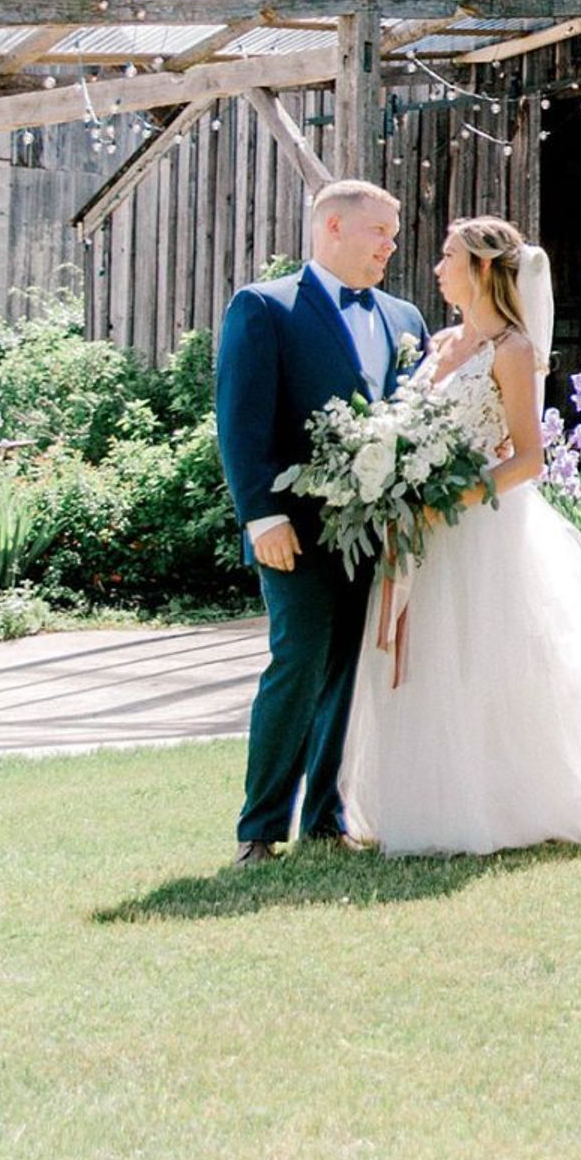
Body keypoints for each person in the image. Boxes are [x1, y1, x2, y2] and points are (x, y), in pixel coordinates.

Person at [337, 216, 581, 857]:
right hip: (425, 533)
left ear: (483, 267)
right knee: (429, 667)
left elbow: (529, 458)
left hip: (484, 530)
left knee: (492, 664)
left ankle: (513, 800)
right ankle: (429, 801)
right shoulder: (439, 345)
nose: (437, 268)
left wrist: (445, 502)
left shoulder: (513, 350)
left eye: (448, 256)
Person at [212, 179, 426, 863]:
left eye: (394, 235)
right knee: (298, 662)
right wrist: (261, 516)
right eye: (379, 232)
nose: (390, 247)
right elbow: (241, 420)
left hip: (380, 532)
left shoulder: (405, 318)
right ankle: (259, 829)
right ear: (333, 227)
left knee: (348, 671)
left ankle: (327, 819)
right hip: (295, 530)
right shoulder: (263, 307)